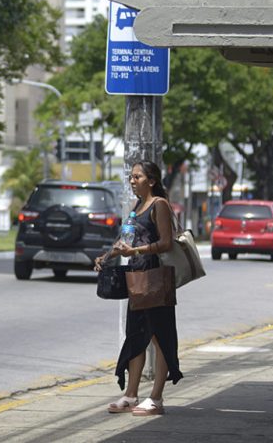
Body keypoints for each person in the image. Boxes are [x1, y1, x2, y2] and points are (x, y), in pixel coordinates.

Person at [93, 160, 183, 416]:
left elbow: (165, 243)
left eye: (138, 177)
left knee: (160, 338)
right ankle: (131, 395)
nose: (132, 181)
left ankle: (156, 398)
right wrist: (107, 257)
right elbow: (126, 240)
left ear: (151, 181)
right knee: (136, 338)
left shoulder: (159, 205)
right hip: (138, 280)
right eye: (131, 177)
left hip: (156, 279)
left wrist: (136, 251)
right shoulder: (137, 207)